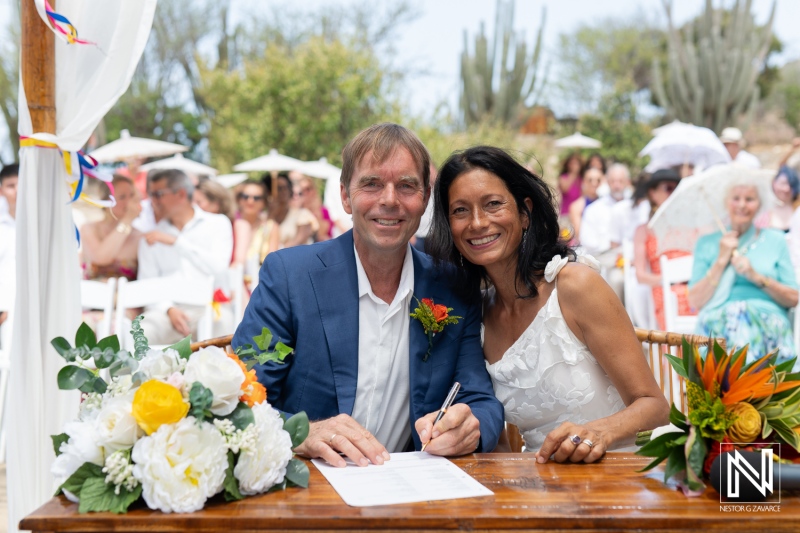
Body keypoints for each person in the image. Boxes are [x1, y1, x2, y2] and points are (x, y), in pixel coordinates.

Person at [233, 123, 504, 467]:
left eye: (406, 186)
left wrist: (472, 427)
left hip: (407, 493)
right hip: (307, 491)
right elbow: (237, 403)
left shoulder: (453, 286)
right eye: (372, 184)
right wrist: (301, 433)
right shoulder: (289, 277)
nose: (389, 200)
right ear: (345, 196)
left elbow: (481, 400)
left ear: (424, 198)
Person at [427, 146, 668, 462]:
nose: (477, 222)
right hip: (540, 486)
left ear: (525, 213)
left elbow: (654, 406)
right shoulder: (478, 313)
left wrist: (599, 432)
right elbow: (500, 441)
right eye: (460, 210)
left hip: (617, 476)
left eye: (493, 204)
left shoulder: (575, 287)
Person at [688, 176, 798, 365]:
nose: (742, 205)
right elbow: (695, 300)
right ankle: (749, 391)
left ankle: (734, 390)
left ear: (759, 204)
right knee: (736, 315)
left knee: (743, 315)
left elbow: (793, 297)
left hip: (767, 319)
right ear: (726, 203)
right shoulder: (707, 243)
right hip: (718, 319)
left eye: (749, 199)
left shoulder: (775, 240)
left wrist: (756, 277)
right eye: (736, 198)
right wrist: (721, 260)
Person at [137, 169, 233, 344]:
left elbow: (218, 268)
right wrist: (168, 309)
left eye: (158, 194)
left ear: (180, 194)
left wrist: (177, 242)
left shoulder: (218, 224)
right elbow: (147, 283)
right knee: (140, 331)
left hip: (209, 308)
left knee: (224, 323)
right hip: (167, 313)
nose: (153, 201)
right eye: (150, 194)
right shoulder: (151, 237)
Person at [632, 169, 690, 330]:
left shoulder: (691, 226)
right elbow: (641, 275)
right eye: (668, 188)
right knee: (676, 298)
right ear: (653, 194)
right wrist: (670, 279)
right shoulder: (644, 230)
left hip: (694, 286)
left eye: (676, 189)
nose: (673, 194)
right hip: (665, 289)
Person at [80, 175, 142, 282]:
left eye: (132, 196)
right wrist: (127, 221)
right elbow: (101, 258)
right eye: (122, 197)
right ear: (106, 201)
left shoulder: (139, 236)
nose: (129, 202)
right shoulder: (89, 229)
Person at [263, 172, 315, 248]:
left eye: (286, 187)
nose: (283, 191)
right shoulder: (263, 217)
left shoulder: (303, 215)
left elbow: (299, 240)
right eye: (279, 188)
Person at [0, 163, 18, 328]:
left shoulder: (46, 224)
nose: (18, 190)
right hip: (4, 311)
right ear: (1, 191)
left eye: (22, 184)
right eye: (11, 186)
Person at [755, 166, 798, 232]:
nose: (786, 189)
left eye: (791, 185)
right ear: (774, 183)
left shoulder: (797, 209)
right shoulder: (763, 211)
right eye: (783, 184)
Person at [567, 167, 602, 243]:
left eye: (598, 180)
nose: (594, 183)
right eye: (590, 180)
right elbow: (578, 234)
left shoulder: (607, 203)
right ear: (584, 182)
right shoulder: (576, 207)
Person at [296, 175, 333, 242]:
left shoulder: (324, 210)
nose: (305, 192)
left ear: (314, 190)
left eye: (308, 189)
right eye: (302, 190)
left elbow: (323, 234)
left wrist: (317, 212)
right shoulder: (296, 210)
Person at [557, 152, 583, 219]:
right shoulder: (563, 177)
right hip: (566, 213)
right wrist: (573, 174)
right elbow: (565, 189)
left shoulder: (581, 178)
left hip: (579, 213)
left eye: (576, 163)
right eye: (572, 163)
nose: (574, 166)